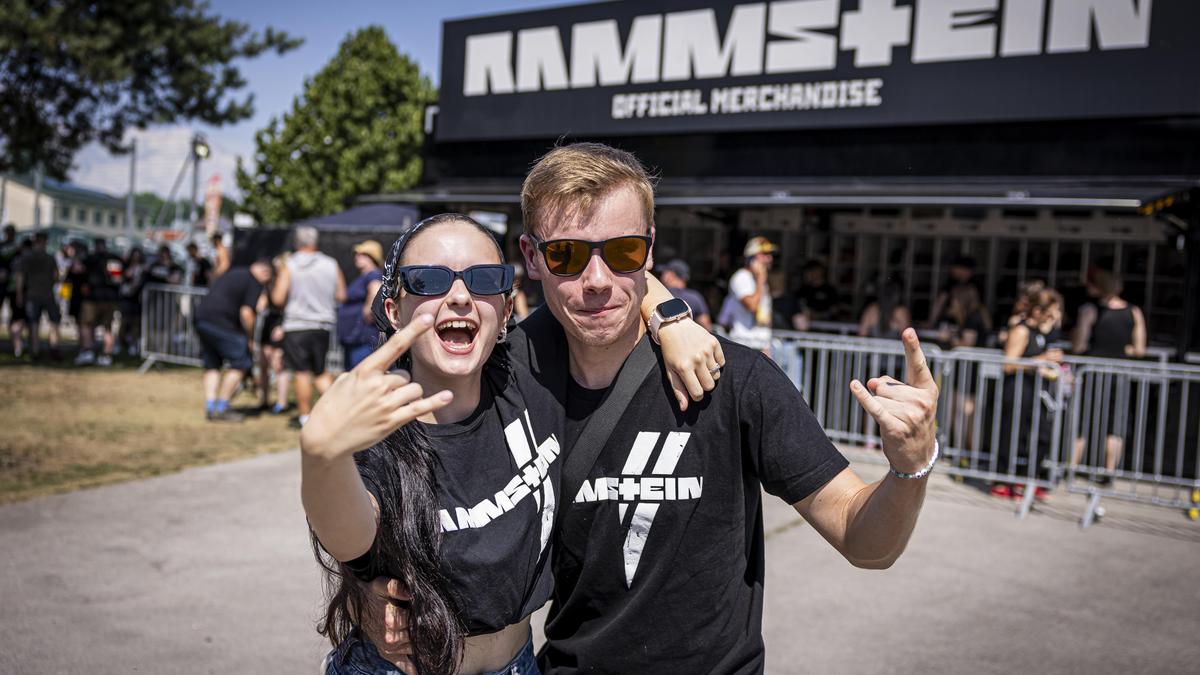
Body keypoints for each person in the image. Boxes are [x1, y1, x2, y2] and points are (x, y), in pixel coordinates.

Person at [368, 143, 938, 673]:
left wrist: (910, 466)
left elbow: (866, 542)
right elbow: (413, 475)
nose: (596, 281)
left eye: (622, 252)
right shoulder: (506, 372)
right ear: (531, 257)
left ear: (649, 249)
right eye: (566, 255)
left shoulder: (734, 379)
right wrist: (373, 590)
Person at [301, 213, 718, 674]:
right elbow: (352, 539)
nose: (459, 296)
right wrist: (323, 457)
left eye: (483, 280)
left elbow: (603, 272)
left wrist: (670, 316)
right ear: (394, 309)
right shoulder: (375, 421)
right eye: (428, 281)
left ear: (504, 309)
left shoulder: (526, 371)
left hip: (520, 664)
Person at [1070, 269, 1146, 485]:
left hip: (1092, 372)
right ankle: (1109, 472)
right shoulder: (1134, 312)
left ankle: (1072, 469)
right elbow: (1139, 349)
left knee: (1082, 421)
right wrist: (1120, 351)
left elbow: (1079, 345)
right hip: (1118, 372)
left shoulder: (1090, 310)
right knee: (1116, 424)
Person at [272, 226, 346, 428]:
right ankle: (338, 413)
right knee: (321, 371)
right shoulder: (331, 264)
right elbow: (341, 294)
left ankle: (305, 417)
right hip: (322, 324)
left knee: (302, 372)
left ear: (297, 242)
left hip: (297, 324)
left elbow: (278, 297)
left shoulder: (291, 264)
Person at [994, 286, 1064, 499]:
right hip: (1016, 390)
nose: (1052, 317)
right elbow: (1009, 364)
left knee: (1040, 434)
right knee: (1012, 435)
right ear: (1037, 311)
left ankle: (1026, 480)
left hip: (1033, 391)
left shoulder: (1039, 333)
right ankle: (1003, 480)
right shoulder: (1021, 330)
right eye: (1049, 312)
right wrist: (1041, 360)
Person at [193, 259, 273, 422]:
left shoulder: (236, 272)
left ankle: (210, 405)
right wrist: (250, 339)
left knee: (212, 364)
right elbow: (246, 313)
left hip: (202, 319)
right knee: (241, 363)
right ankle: (222, 407)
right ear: (265, 273)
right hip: (222, 323)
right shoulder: (253, 282)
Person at [718, 236, 776, 349]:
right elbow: (752, 306)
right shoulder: (741, 277)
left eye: (770, 255)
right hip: (744, 344)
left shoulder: (760, 280)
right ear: (751, 258)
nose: (769, 259)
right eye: (764, 254)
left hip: (760, 344)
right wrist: (760, 279)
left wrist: (766, 345)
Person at [337, 240, 384, 370]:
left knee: (360, 373)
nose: (357, 257)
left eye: (362, 254)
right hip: (354, 338)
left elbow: (375, 291)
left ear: (372, 257)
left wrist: (367, 314)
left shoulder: (373, 275)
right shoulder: (363, 276)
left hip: (363, 337)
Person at [14, 232, 62, 360]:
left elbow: (20, 277)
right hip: (47, 294)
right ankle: (54, 347)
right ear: (45, 242)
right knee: (54, 321)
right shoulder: (50, 257)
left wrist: (19, 294)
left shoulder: (26, 257)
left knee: (34, 323)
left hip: (32, 294)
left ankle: (36, 350)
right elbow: (56, 277)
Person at [75, 238, 122, 366]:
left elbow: (77, 270)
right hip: (110, 298)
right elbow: (117, 279)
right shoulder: (114, 259)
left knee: (87, 325)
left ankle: (88, 352)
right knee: (107, 328)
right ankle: (106, 356)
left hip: (93, 298)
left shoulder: (90, 259)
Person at [256, 255, 291, 415]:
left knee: (278, 364)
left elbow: (291, 308)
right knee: (263, 362)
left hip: (282, 323)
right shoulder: (269, 284)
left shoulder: (291, 285)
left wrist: (283, 326)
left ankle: (281, 403)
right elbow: (261, 305)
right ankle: (264, 400)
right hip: (268, 323)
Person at [658, 258, 711, 329]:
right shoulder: (695, 297)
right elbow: (706, 325)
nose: (661, 276)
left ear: (671, 275)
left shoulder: (660, 294)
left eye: (664, 272)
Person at [118, 247, 147, 357]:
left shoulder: (143, 268)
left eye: (138, 256)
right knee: (125, 321)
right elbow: (123, 277)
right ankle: (121, 342)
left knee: (136, 322)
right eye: (134, 256)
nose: (136, 258)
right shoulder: (125, 266)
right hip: (126, 298)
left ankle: (133, 344)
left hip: (137, 299)